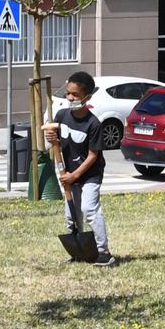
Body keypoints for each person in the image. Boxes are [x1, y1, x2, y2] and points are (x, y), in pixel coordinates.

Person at [43, 71, 119, 267]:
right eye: (68, 93)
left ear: (87, 97)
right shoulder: (61, 115)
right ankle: (78, 249)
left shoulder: (93, 123)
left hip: (89, 174)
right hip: (69, 173)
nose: (70, 98)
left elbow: (93, 155)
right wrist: (52, 140)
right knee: (72, 213)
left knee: (88, 209)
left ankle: (104, 252)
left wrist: (74, 175)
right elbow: (56, 142)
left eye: (75, 95)